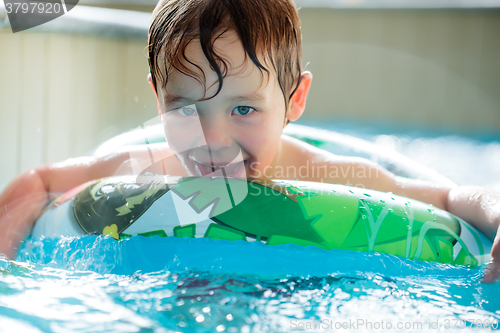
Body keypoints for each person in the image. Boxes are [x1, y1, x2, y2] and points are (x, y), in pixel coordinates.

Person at [1, 0, 499, 282]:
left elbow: (447, 198)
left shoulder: (321, 173)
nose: (213, 139)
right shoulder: (150, 167)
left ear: (294, 100)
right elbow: (42, 181)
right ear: (158, 101)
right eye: (185, 109)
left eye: (243, 109)